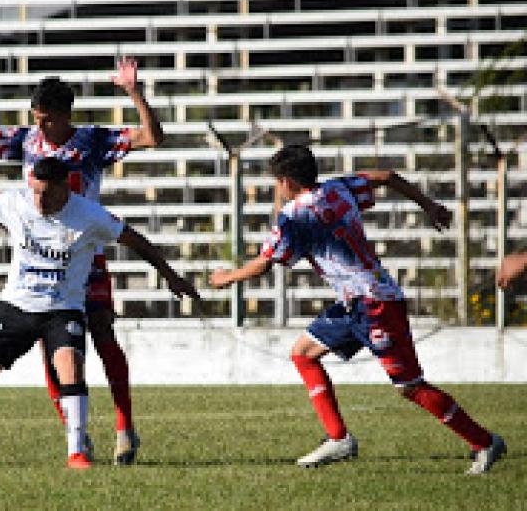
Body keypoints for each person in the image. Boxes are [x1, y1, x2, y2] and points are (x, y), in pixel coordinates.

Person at [208, 145, 506, 475]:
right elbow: (387, 176)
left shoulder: (294, 217)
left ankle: (484, 442)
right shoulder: (338, 188)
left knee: (410, 386)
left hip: (376, 305)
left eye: (277, 182)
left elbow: (266, 262)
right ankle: (338, 438)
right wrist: (429, 205)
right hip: (355, 302)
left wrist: (226, 278)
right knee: (303, 353)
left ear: (286, 181)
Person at [0, 157, 199, 469]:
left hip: (63, 310)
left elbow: (136, 241)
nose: (39, 200)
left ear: (66, 188)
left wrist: (170, 275)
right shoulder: (16, 203)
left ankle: (76, 451)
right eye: (35, 191)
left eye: (46, 193)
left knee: (70, 367)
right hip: (16, 307)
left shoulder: (90, 216)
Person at [0, 57, 162, 464]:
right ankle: (76, 435)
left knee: (102, 336)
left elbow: (152, 137)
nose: (39, 125)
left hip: (86, 254)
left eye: (45, 119)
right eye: (36, 117)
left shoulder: (94, 141)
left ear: (65, 117)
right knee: (54, 347)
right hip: (45, 262)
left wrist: (134, 93)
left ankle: (124, 427)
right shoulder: (27, 140)